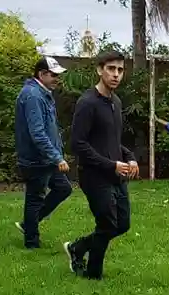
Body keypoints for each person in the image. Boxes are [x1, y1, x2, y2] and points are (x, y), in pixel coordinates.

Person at [63, 50, 138, 280]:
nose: (116, 74)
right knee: (107, 224)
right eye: (111, 69)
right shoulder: (87, 103)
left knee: (122, 224)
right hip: (94, 175)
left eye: (120, 70)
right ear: (99, 70)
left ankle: (77, 247)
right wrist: (110, 164)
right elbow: (78, 144)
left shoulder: (116, 102)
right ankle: (93, 275)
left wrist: (130, 157)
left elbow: (112, 140)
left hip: (115, 173)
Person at [14, 55, 72, 249]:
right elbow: (37, 133)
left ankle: (28, 225)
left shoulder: (42, 93)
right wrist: (57, 157)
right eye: (53, 75)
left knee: (63, 189)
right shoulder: (33, 96)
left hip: (47, 158)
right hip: (36, 159)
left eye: (58, 75)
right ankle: (31, 243)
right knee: (35, 198)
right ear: (41, 74)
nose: (57, 79)